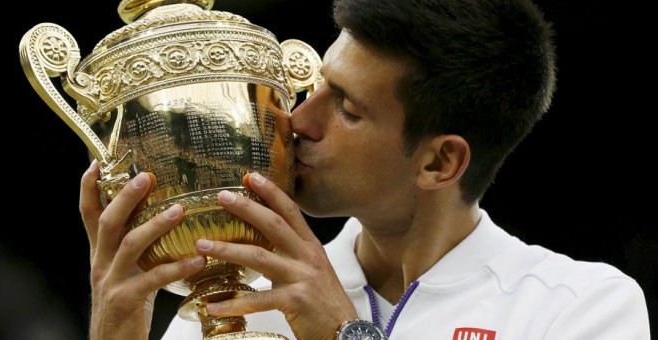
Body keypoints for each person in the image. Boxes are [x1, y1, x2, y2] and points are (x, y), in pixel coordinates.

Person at [78, 0, 651, 339]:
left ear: (439, 161)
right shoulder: (228, 293)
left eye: (347, 108)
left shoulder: (581, 308)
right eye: (316, 84)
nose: (299, 120)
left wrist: (342, 335)